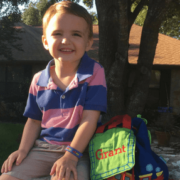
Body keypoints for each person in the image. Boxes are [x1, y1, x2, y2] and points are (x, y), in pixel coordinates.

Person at [0, 1, 107, 180]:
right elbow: (34, 121)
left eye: (76, 34)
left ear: (88, 43)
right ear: (45, 41)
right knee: (7, 177)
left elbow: (90, 119)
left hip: (79, 151)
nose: (66, 40)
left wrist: (71, 156)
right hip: (43, 149)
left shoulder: (94, 73)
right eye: (57, 33)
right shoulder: (38, 80)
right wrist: (23, 150)